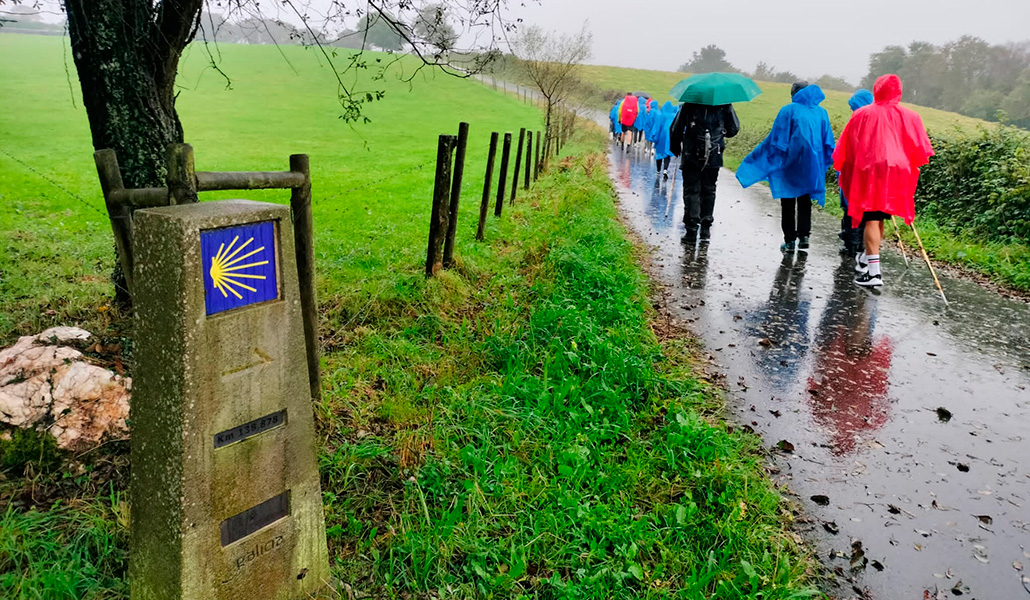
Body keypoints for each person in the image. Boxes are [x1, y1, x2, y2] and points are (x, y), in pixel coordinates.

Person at [834, 74, 934, 288]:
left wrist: (847, 169)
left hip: (870, 171)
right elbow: (919, 149)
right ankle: (865, 259)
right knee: (878, 217)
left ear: (877, 89)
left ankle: (874, 274)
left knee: (870, 217)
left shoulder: (862, 114)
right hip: (898, 173)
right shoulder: (911, 116)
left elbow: (848, 146)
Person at [736, 81, 836, 252]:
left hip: (790, 162)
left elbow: (777, 140)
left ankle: (790, 240)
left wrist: (760, 158)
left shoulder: (788, 110)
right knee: (805, 198)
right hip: (813, 163)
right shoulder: (821, 112)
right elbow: (828, 142)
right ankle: (804, 236)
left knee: (788, 199)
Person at [670, 100, 740, 243]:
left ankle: (691, 230)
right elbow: (733, 129)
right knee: (709, 190)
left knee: (691, 191)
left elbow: (675, 129)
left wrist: (675, 147)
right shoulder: (725, 104)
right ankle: (705, 229)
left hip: (691, 154)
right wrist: (721, 132)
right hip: (715, 153)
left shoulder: (689, 104)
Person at [837, 89, 874, 255]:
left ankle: (851, 244)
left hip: (854, 172)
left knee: (851, 207)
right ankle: (859, 245)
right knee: (864, 209)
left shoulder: (857, 122)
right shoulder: (877, 123)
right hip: (869, 174)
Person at [650, 101, 678, 179]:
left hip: (661, 135)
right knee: (667, 152)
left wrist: (654, 136)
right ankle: (665, 169)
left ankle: (658, 170)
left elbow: (657, 126)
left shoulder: (660, 115)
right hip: (670, 136)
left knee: (659, 153)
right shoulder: (674, 115)